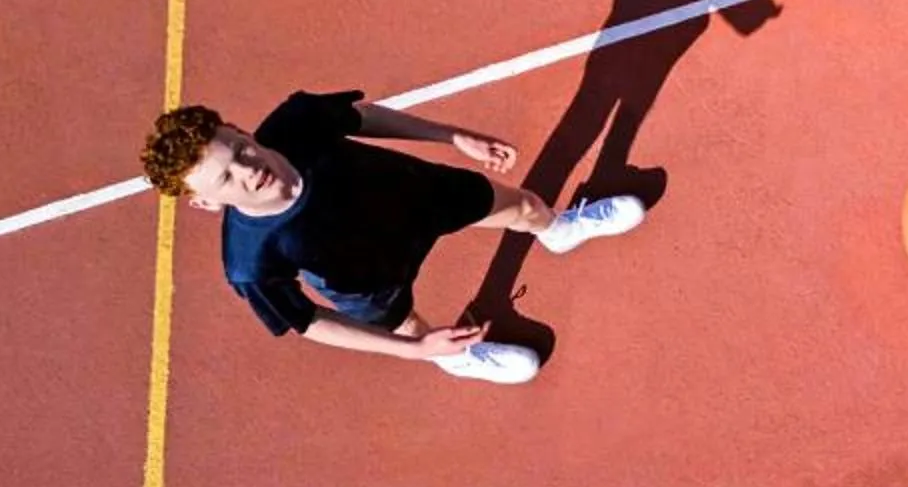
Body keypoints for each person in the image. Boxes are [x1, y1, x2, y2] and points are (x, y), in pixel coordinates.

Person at [139, 90, 644, 384]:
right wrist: (417, 350)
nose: (249, 170)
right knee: (409, 327)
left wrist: (450, 135)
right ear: (205, 202)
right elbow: (308, 321)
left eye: (239, 151)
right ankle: (456, 357)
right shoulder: (248, 262)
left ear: (240, 131)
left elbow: (363, 117)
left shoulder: (297, 121)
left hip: (418, 196)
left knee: (526, 206)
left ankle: (561, 231)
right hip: (370, 280)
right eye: (226, 178)